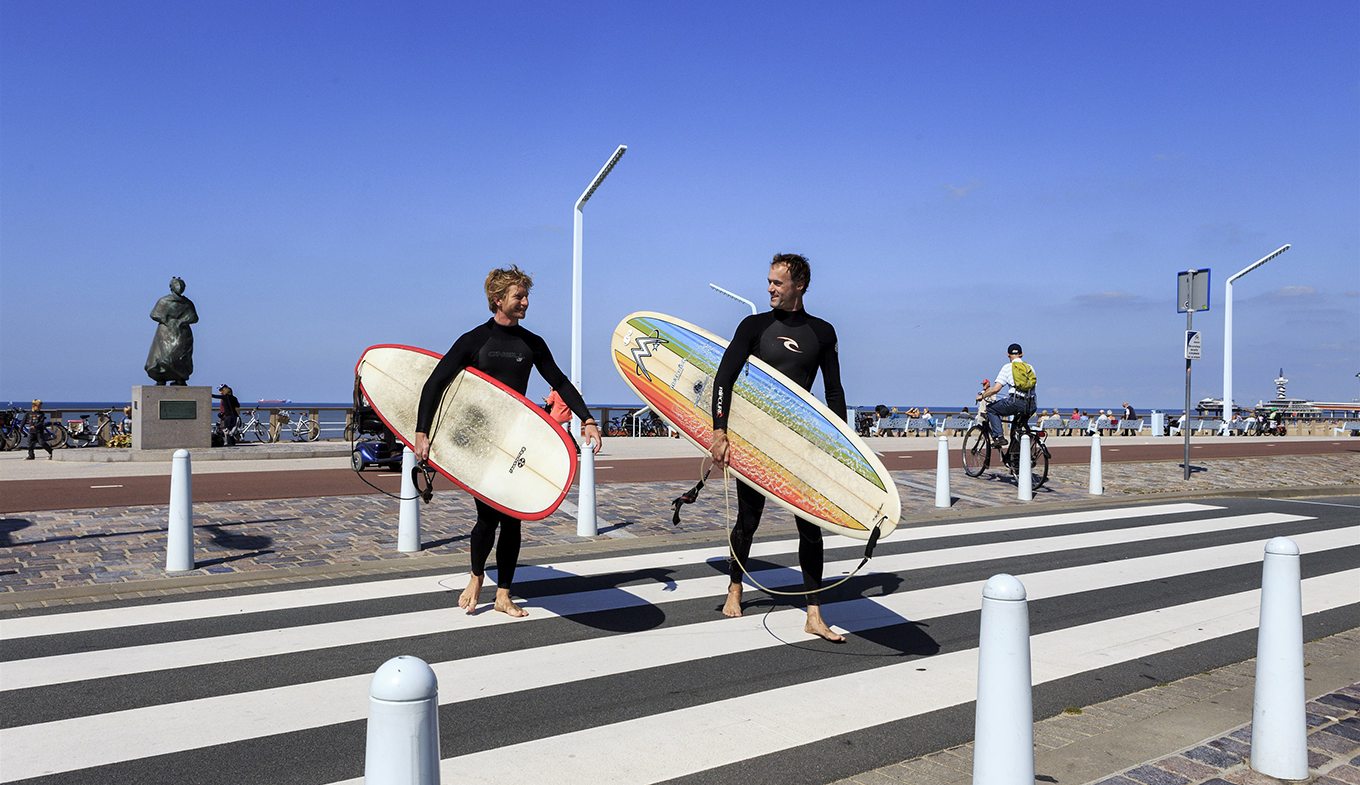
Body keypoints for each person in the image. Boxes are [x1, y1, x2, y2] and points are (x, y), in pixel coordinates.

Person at [413, 266, 600, 618]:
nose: (526, 302)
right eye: (519, 296)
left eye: (526, 296)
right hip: (480, 445)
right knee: (487, 517)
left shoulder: (532, 343)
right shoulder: (474, 341)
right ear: (498, 300)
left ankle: (503, 595)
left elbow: (559, 382)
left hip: (515, 442)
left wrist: (587, 419)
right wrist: (422, 432)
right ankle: (476, 577)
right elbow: (434, 383)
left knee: (512, 518)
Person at [710, 253, 846, 642]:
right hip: (756, 440)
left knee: (811, 527)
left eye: (777, 283)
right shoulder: (754, 326)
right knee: (748, 520)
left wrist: (843, 446)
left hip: (798, 442)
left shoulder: (823, 332)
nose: (770, 288)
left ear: (798, 285)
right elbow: (724, 379)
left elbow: (834, 392)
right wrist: (720, 432)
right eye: (769, 281)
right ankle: (735, 586)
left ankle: (814, 613)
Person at [975, 343, 1037, 454]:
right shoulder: (1029, 367)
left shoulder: (1007, 367)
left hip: (1015, 403)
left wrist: (982, 396)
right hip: (1031, 405)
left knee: (991, 409)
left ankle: (999, 437)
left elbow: (996, 389)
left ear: (1008, 354)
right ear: (1021, 354)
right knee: (1016, 429)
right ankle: (1015, 459)